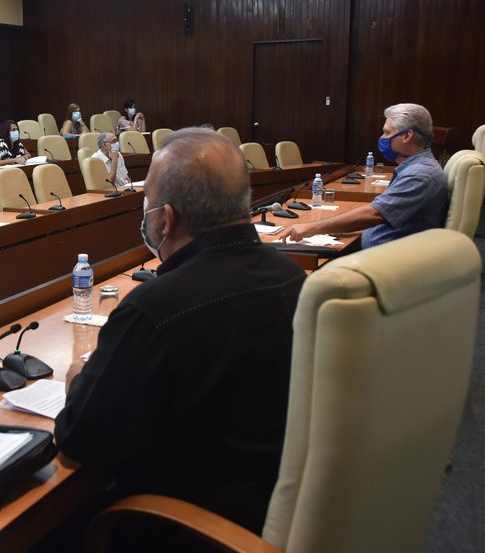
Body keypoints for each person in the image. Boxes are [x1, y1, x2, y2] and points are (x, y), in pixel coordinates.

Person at [54, 128, 306, 543]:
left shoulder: (155, 308)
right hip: (268, 510)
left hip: (191, 528)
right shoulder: (293, 278)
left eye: (148, 204)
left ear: (165, 219)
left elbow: (82, 438)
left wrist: (78, 380)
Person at [275, 103, 448, 249]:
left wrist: (311, 227)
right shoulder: (418, 167)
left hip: (387, 263)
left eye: (387, 132)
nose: (382, 138)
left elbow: (375, 215)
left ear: (406, 135)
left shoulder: (420, 174)